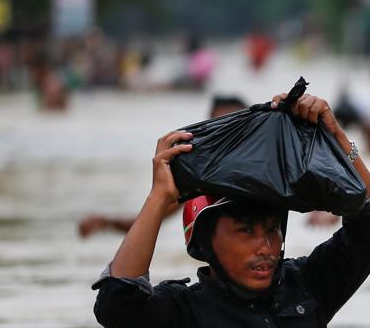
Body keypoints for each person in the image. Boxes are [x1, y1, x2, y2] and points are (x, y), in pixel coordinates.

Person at [91, 91, 370, 328]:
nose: (265, 247)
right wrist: (159, 198)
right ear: (204, 241)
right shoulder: (179, 316)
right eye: (245, 231)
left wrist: (335, 137)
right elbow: (117, 301)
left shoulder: (307, 288)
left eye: (272, 230)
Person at [78, 95, 249, 237]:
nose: (226, 139)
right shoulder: (201, 176)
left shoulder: (269, 166)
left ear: (251, 129)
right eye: (220, 129)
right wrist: (108, 222)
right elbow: (150, 219)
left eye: (233, 129)